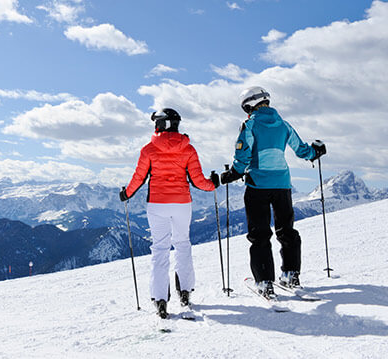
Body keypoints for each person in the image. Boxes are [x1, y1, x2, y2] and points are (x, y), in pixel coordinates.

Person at [219, 86, 326, 299]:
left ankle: (265, 283)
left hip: (258, 186)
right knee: (287, 231)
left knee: (260, 235)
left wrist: (232, 174)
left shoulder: (249, 125)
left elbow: (243, 155)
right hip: (282, 185)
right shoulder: (284, 125)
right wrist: (316, 151)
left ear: (248, 105)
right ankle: (290, 275)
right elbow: (302, 149)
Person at [119, 108, 218, 319]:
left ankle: (160, 300)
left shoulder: (148, 150)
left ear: (160, 125)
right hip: (182, 203)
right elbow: (198, 181)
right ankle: (185, 292)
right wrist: (214, 184)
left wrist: (126, 194)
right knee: (183, 244)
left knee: (160, 250)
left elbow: (139, 177)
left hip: (157, 204)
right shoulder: (188, 149)